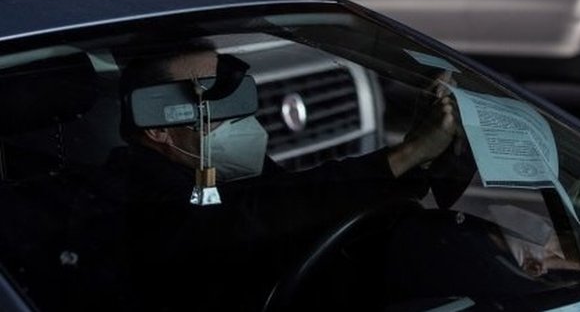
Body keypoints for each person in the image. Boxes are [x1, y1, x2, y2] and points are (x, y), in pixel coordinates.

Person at [91, 39, 464, 311]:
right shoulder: (134, 196)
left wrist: (420, 162)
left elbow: (309, 204)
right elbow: (260, 213)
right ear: (158, 127)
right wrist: (405, 154)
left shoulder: (212, 167)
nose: (234, 114)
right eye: (212, 98)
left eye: (233, 93)